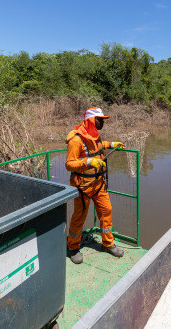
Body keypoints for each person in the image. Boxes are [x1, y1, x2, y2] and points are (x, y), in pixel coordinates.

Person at [65, 107, 125, 264]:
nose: (102, 122)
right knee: (79, 217)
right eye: (100, 119)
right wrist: (90, 161)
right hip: (82, 187)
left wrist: (112, 144)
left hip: (99, 184)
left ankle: (108, 244)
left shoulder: (94, 135)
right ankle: (73, 247)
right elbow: (69, 164)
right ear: (91, 120)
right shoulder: (76, 140)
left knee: (107, 211)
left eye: (103, 120)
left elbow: (98, 146)